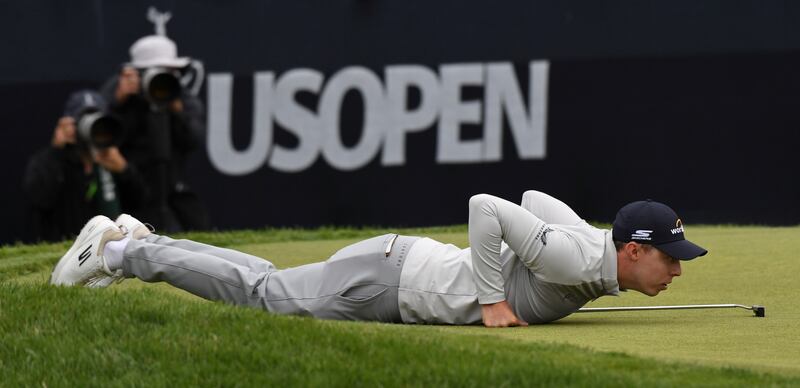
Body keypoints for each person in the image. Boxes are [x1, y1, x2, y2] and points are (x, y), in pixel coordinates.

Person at [49, 190, 707, 327]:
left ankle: (135, 236)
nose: (676, 270)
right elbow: (487, 205)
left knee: (264, 283)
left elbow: (536, 198)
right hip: (390, 284)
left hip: (398, 267)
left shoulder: (588, 254)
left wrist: (545, 242)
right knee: (264, 294)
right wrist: (492, 300)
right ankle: (122, 250)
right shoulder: (574, 258)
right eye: (669, 259)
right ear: (630, 252)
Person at [100, 34, 208, 233]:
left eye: (169, 71)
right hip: (130, 195)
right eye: (153, 71)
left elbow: (194, 139)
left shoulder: (181, 97)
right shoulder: (119, 94)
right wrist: (118, 102)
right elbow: (99, 137)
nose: (160, 77)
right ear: (136, 73)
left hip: (172, 192)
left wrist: (177, 110)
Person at [23, 90, 147, 242]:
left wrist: (124, 171)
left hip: (111, 246)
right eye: (83, 121)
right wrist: (56, 153)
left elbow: (140, 203)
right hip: (65, 246)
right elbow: (40, 199)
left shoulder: (114, 157)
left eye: (99, 122)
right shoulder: (51, 159)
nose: (94, 129)